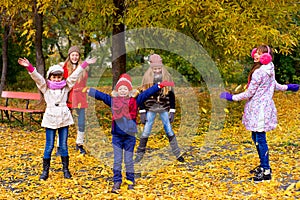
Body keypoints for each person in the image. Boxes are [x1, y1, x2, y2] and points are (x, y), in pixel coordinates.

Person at [220, 45, 299, 183]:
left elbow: (249, 93)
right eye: (255, 52)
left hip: (260, 110)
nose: (256, 55)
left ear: (266, 56)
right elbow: (274, 85)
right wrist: (288, 87)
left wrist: (232, 97)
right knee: (255, 136)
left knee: (260, 138)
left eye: (260, 53)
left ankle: (266, 171)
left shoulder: (260, 72)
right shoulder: (269, 68)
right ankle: (263, 166)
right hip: (258, 108)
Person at [86, 73, 173, 193]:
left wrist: (159, 85)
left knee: (128, 160)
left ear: (129, 90)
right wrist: (89, 90)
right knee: (117, 160)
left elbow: (146, 93)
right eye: (120, 89)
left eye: (125, 89)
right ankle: (117, 181)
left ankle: (130, 181)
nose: (122, 91)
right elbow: (101, 96)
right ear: (117, 90)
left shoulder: (135, 101)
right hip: (117, 136)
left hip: (129, 136)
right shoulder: (113, 101)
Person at [18, 56, 96, 180]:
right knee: (49, 146)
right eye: (54, 77)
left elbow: (75, 75)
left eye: (59, 77)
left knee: (64, 145)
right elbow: (37, 78)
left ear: (62, 77)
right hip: (50, 118)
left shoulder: (66, 86)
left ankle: (66, 170)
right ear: (50, 77)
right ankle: (45, 171)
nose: (56, 79)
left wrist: (85, 63)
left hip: (64, 117)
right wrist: (29, 67)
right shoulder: (46, 87)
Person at [134, 54, 184, 163]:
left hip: (163, 107)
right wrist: (142, 111)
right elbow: (142, 95)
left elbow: (171, 95)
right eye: (155, 68)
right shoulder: (147, 78)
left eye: (159, 68)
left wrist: (172, 110)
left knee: (168, 129)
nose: (157, 70)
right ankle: (139, 154)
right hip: (151, 107)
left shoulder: (167, 78)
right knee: (147, 129)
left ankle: (177, 153)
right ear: (151, 68)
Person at [56, 46, 89, 155]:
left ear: (79, 56)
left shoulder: (83, 68)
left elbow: (84, 83)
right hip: (67, 98)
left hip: (80, 98)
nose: (74, 57)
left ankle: (79, 143)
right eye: (72, 55)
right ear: (69, 56)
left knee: (81, 122)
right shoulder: (64, 68)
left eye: (76, 55)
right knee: (63, 121)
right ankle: (60, 145)